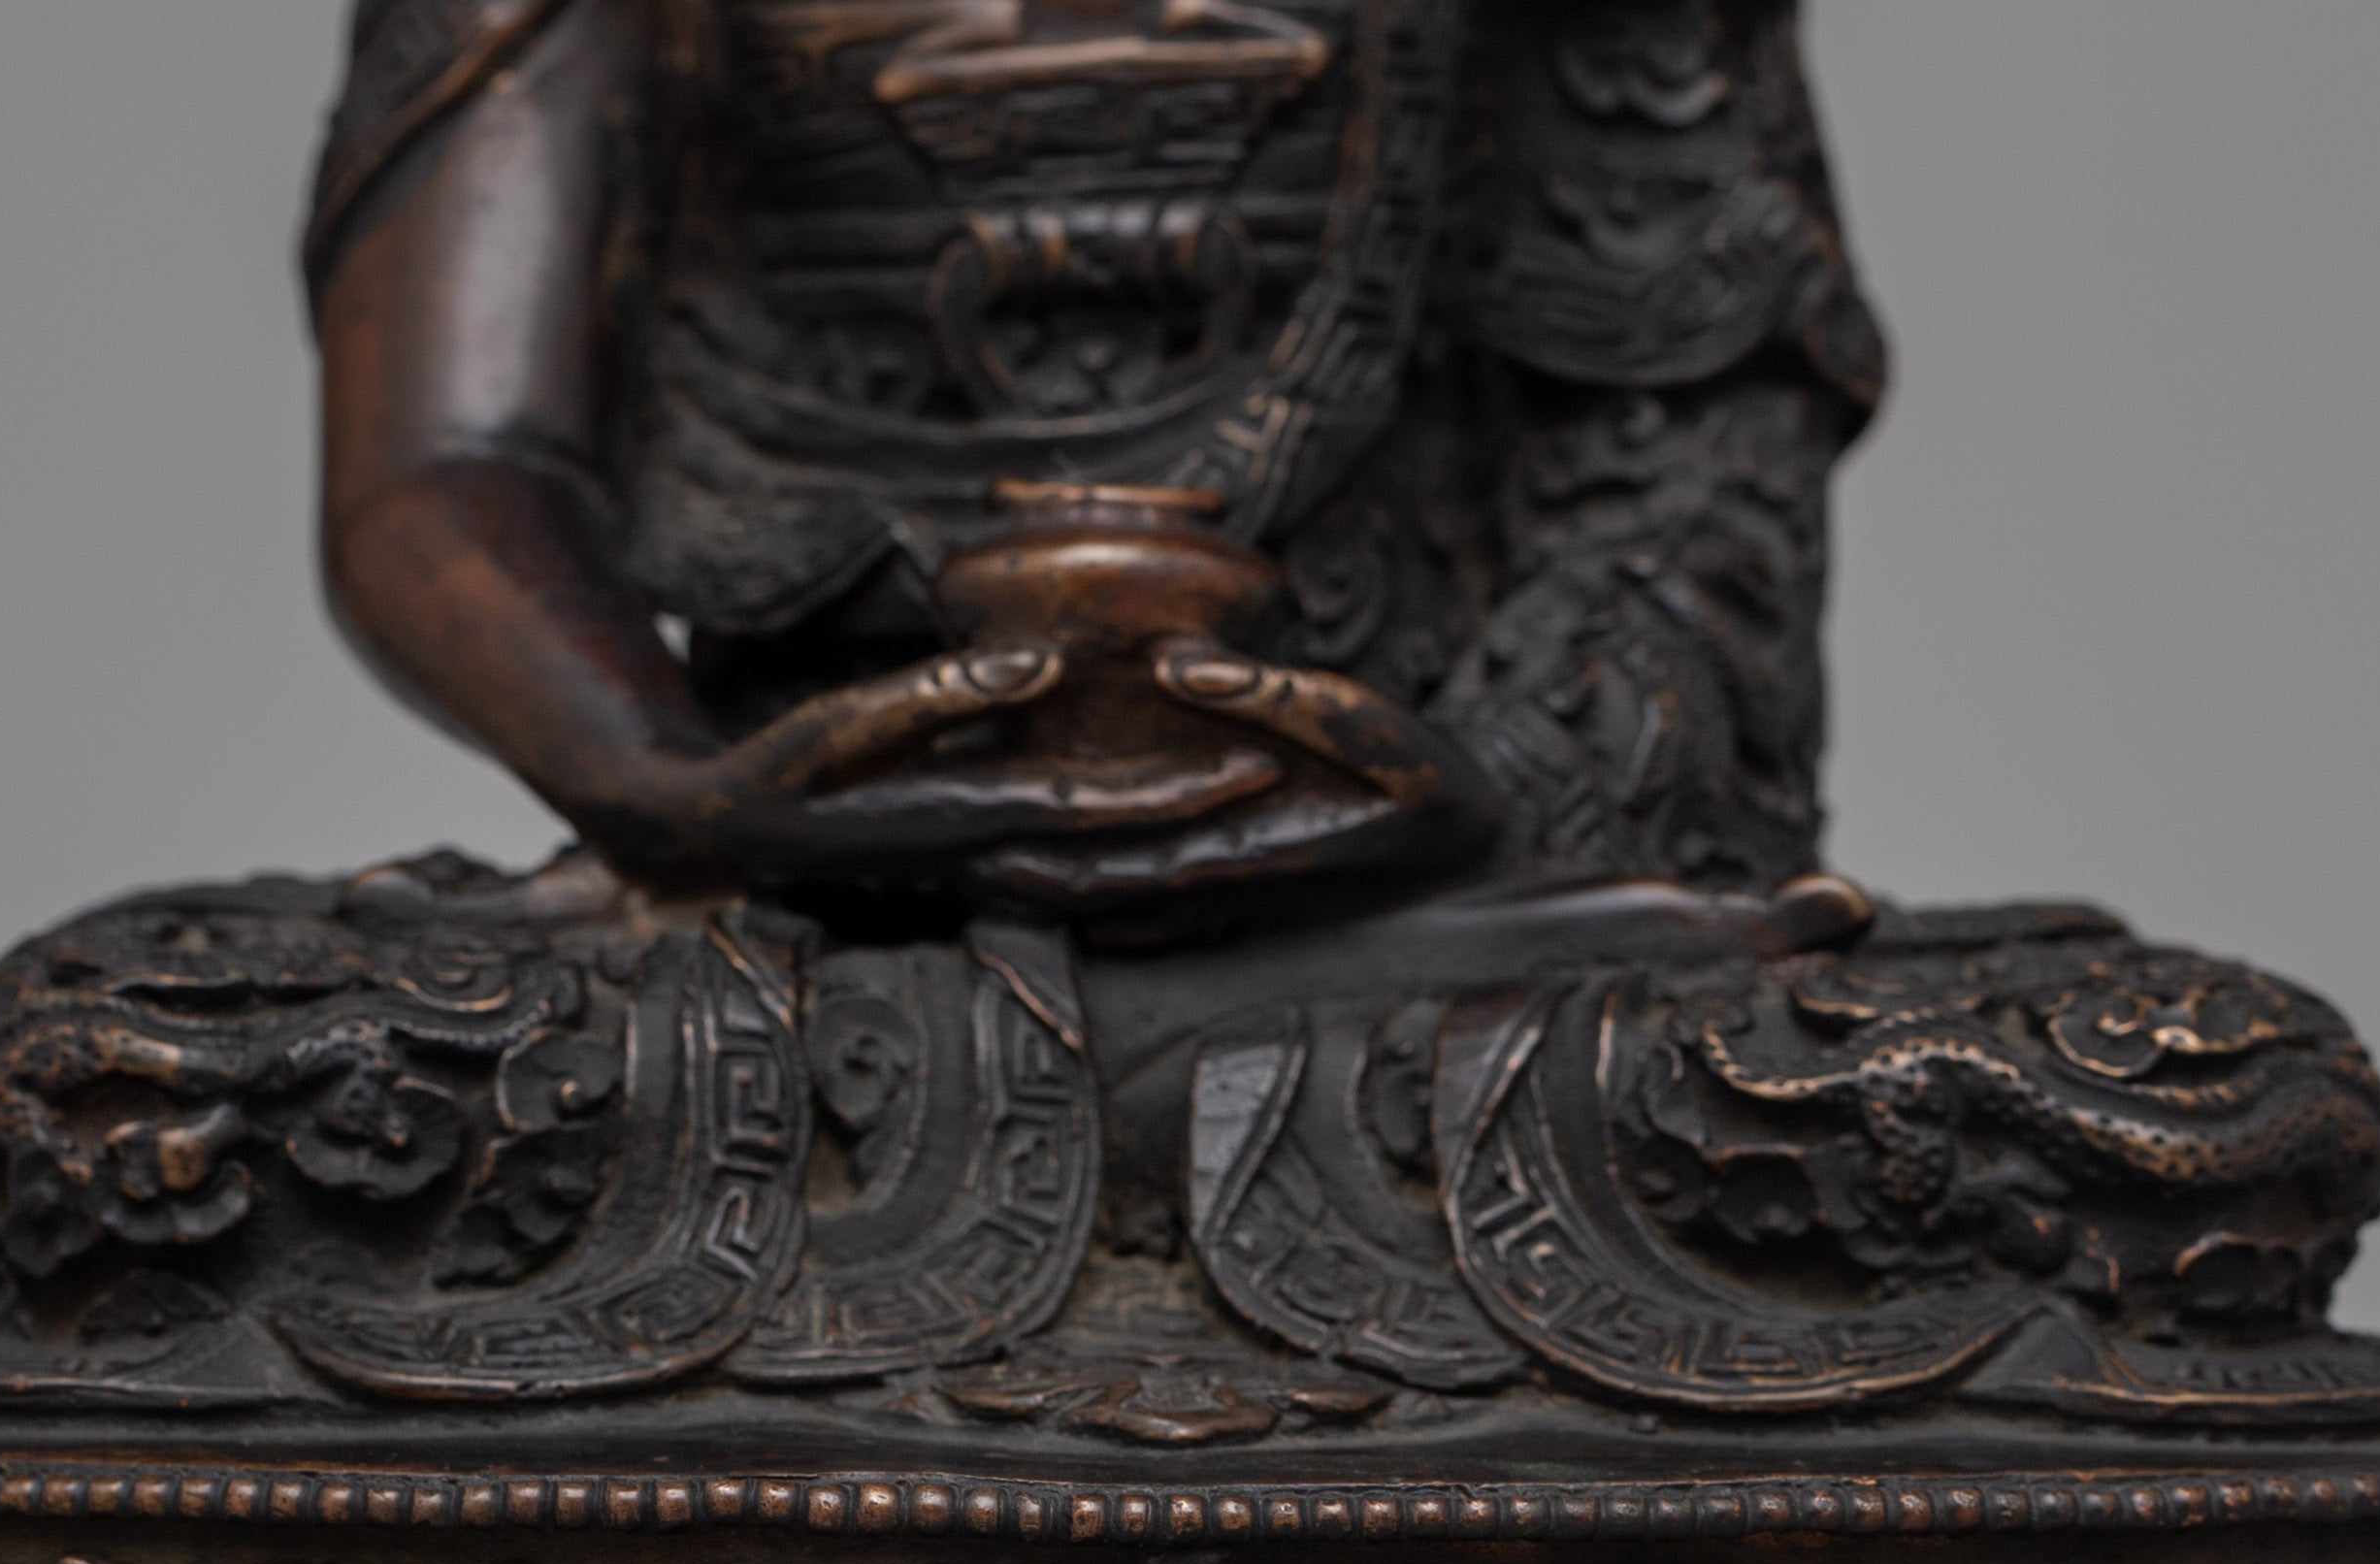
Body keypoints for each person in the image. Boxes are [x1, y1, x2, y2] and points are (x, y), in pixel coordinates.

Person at [306, 0, 1888, 929]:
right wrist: (660, 780)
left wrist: (1515, 783)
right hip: (794, 835)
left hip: (1438, 846)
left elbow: (1696, 441)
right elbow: (454, 457)